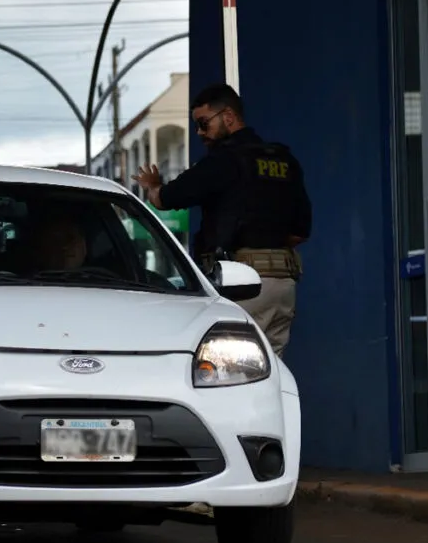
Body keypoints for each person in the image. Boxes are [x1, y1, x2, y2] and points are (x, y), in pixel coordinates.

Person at [133, 83, 311, 358]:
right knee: (272, 371)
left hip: (242, 285)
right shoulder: (284, 160)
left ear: (228, 116)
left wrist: (152, 184)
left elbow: (164, 199)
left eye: (204, 124)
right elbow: (300, 232)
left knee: (228, 369)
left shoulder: (222, 161)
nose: (200, 133)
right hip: (283, 283)